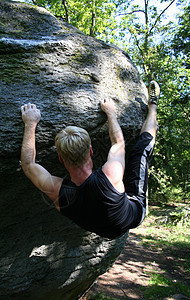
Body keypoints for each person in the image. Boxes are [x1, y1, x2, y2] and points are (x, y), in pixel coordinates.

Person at [21, 81, 160, 239]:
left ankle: (153, 105)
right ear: (91, 151)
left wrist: (30, 124)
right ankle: (153, 105)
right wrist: (111, 114)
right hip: (133, 213)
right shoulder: (110, 174)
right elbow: (119, 143)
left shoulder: (58, 192)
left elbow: (28, 164)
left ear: (60, 158)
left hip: (103, 230)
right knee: (141, 151)